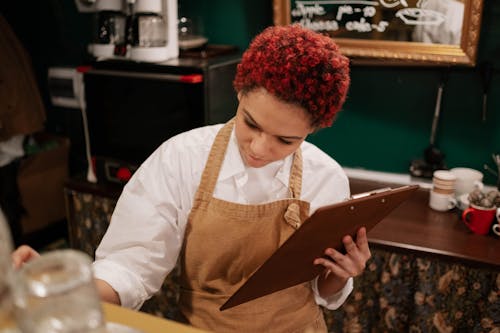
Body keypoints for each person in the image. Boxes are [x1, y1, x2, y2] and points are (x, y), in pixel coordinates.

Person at [12, 24, 371, 332]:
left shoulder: (326, 178)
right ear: (239, 92)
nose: (260, 148)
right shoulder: (181, 159)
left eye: (285, 140)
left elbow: (324, 293)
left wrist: (342, 272)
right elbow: (131, 266)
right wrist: (67, 290)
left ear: (313, 130)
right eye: (251, 123)